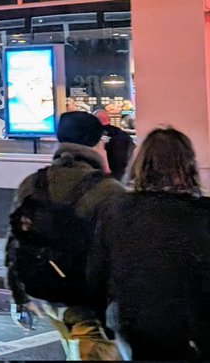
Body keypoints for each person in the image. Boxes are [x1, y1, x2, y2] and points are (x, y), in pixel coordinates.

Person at [5, 111, 124, 361]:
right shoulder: (108, 190)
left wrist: (18, 297)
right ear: (95, 143)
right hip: (90, 305)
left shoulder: (32, 183)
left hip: (47, 295)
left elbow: (14, 242)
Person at [86, 128, 209, 361]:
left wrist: (106, 323)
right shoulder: (201, 214)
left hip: (134, 324)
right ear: (189, 165)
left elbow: (96, 274)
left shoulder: (116, 209)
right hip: (193, 332)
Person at [93, 109, 134, 182]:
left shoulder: (92, 135)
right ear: (109, 119)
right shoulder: (122, 134)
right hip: (122, 175)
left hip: (101, 177)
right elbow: (132, 152)